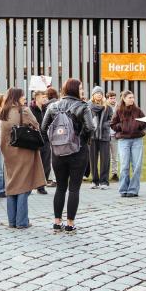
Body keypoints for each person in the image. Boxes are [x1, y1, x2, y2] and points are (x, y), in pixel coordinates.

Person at [41, 79, 95, 232]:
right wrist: (81, 140)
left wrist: (54, 143)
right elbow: (90, 127)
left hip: (58, 152)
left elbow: (43, 129)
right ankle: (70, 224)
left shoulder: (53, 106)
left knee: (60, 188)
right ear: (75, 90)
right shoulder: (83, 106)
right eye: (81, 88)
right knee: (74, 188)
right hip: (78, 151)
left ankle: (57, 221)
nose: (83, 90)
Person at [0, 88, 45, 229]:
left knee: (12, 187)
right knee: (24, 187)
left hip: (8, 153)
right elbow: (37, 125)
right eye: (22, 95)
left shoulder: (3, 112)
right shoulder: (23, 111)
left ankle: (12, 221)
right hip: (23, 152)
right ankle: (22, 221)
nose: (25, 98)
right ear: (17, 97)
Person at [110, 90, 146, 197]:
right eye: (130, 97)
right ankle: (123, 189)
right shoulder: (118, 111)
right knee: (124, 166)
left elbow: (145, 123)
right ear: (124, 98)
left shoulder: (138, 110)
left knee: (137, 166)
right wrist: (122, 127)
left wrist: (139, 126)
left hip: (137, 140)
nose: (132, 99)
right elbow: (112, 124)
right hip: (123, 140)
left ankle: (133, 190)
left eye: (133, 97)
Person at [89, 86, 113, 190]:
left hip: (104, 136)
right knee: (93, 160)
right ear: (93, 95)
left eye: (100, 93)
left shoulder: (107, 107)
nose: (99, 94)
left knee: (105, 159)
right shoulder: (88, 106)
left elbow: (111, 119)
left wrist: (105, 125)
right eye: (97, 93)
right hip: (93, 136)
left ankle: (104, 182)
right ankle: (94, 181)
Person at [29, 90, 50, 195]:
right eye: (43, 97)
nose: (45, 99)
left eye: (46, 97)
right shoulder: (30, 109)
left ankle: (41, 186)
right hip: (35, 140)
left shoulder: (47, 109)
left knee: (46, 163)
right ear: (37, 97)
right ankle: (30, 184)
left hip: (46, 139)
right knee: (34, 164)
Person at [106, 91, 119, 182]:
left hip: (115, 135)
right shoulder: (105, 107)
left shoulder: (118, 108)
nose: (113, 100)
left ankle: (114, 173)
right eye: (111, 98)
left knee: (115, 156)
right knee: (106, 156)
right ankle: (105, 173)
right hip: (106, 135)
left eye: (114, 98)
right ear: (108, 99)